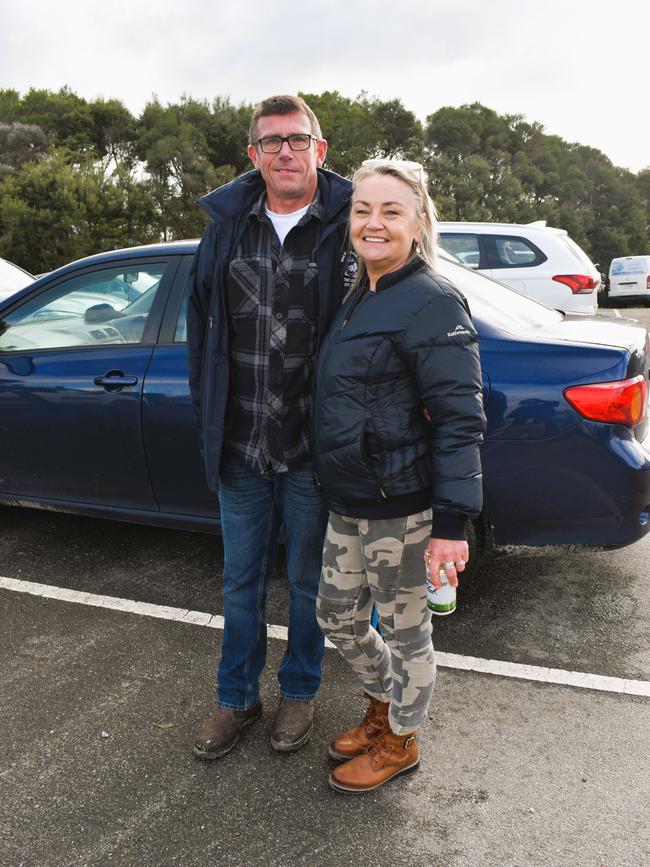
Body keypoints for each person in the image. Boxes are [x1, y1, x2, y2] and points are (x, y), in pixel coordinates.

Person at [187, 95, 353, 759]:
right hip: (241, 445)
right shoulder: (227, 227)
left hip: (315, 449)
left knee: (310, 582)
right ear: (253, 156)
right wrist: (208, 408)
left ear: (321, 149)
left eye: (297, 139)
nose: (285, 150)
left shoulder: (349, 225)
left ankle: (299, 692)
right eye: (271, 141)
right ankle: (236, 699)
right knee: (240, 581)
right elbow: (200, 326)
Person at [313, 159, 486, 793]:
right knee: (336, 616)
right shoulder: (361, 292)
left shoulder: (432, 301)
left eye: (391, 211)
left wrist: (451, 523)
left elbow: (460, 421)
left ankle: (401, 742)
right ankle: (384, 704)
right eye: (363, 211)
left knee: (409, 634)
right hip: (350, 500)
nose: (373, 223)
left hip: (405, 507)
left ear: (418, 223)